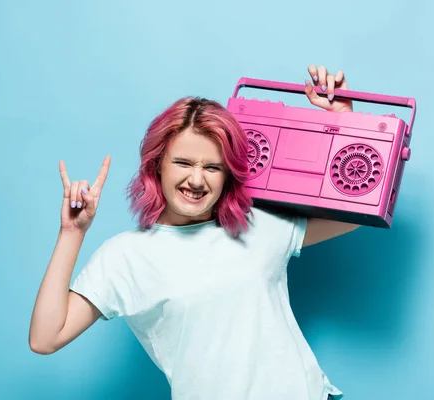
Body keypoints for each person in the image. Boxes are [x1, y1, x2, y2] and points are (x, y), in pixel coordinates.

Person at [29, 65, 360, 400]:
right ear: (156, 165)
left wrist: (344, 123)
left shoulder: (257, 224)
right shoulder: (125, 257)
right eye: (184, 163)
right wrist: (72, 232)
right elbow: (45, 338)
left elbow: (352, 217)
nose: (197, 180)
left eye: (212, 167)